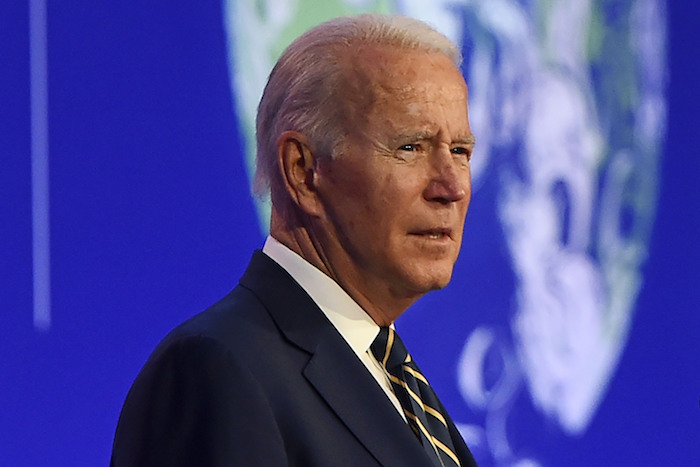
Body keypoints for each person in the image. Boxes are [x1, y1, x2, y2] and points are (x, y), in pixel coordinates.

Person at [111, 14, 478, 467]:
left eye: (460, 151)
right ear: (303, 172)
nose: (451, 186)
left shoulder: (400, 385)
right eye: (410, 147)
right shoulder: (217, 370)